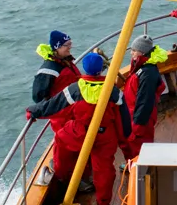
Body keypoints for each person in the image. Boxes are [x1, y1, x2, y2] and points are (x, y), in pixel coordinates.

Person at [25, 54, 123, 196]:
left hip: (82, 131)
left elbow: (53, 105)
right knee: (105, 169)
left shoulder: (75, 89)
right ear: (102, 69)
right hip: (105, 135)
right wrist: (124, 139)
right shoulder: (113, 91)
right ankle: (104, 203)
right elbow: (123, 118)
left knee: (61, 137)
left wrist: (32, 111)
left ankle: (62, 175)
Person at [123, 35, 168, 158]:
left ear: (142, 52)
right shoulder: (142, 66)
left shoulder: (147, 74)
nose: (131, 53)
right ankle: (133, 164)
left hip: (141, 118)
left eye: (134, 50)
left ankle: (141, 168)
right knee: (136, 145)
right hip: (134, 113)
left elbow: (145, 102)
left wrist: (138, 126)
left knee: (140, 145)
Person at [32, 30, 81, 103]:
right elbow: (38, 98)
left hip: (75, 103)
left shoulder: (66, 61)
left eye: (70, 43)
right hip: (64, 109)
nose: (70, 47)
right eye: (67, 45)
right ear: (57, 47)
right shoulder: (48, 71)